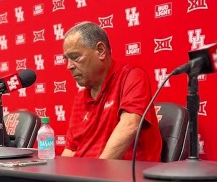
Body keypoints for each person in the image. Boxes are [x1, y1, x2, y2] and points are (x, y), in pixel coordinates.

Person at [60, 22, 162, 162]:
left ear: (101, 51)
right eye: (67, 59)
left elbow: (130, 126)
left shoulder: (131, 76)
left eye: (75, 57)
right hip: (84, 177)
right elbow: (71, 149)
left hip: (118, 177)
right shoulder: (80, 97)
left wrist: (97, 177)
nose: (69, 66)